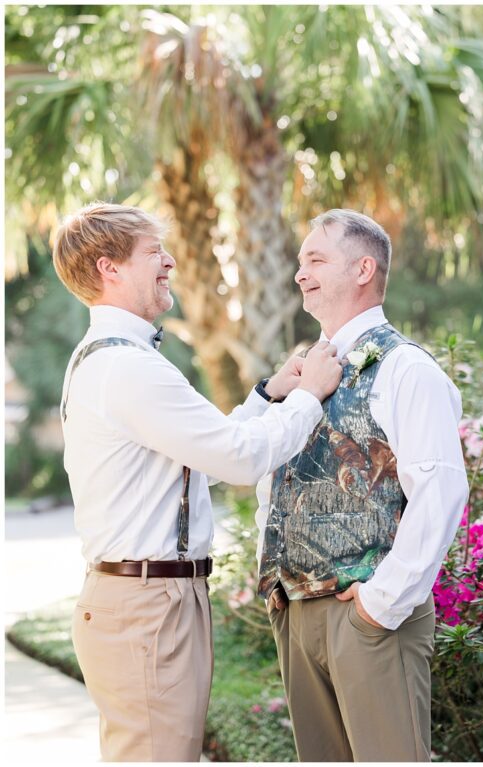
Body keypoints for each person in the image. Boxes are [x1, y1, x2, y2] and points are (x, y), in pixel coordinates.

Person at [54, 202, 343, 761]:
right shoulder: (125, 367)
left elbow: (199, 461)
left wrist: (267, 397)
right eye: (152, 253)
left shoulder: (115, 359)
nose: (168, 263)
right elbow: (237, 462)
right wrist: (309, 397)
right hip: (146, 604)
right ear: (109, 267)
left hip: (150, 599)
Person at [255, 209, 469, 762]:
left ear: (363, 269)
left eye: (316, 260)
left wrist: (379, 606)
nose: (300, 273)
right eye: (300, 263)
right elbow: (272, 478)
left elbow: (440, 492)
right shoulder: (304, 371)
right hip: (296, 614)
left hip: (368, 618)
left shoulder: (406, 369)